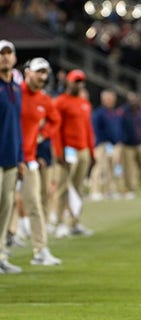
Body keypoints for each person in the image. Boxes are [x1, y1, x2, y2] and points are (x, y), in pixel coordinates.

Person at [19, 57, 62, 265]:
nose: (42, 77)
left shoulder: (44, 100)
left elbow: (55, 121)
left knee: (34, 205)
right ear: (28, 72)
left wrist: (43, 135)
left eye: (45, 73)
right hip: (6, 157)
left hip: (28, 159)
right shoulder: (14, 93)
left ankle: (40, 250)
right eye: (39, 72)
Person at [51, 69, 95, 237]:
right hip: (67, 150)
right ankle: (60, 222)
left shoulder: (84, 103)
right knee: (62, 187)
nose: (79, 84)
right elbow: (56, 129)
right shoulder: (60, 102)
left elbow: (88, 130)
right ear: (68, 82)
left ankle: (74, 222)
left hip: (82, 149)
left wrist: (92, 152)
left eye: (81, 81)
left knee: (78, 188)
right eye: (76, 81)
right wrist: (58, 151)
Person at [0, 39, 24, 274]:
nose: (5, 57)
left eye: (9, 53)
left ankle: (0, 256)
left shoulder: (16, 89)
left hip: (10, 159)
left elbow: (17, 127)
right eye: (1, 53)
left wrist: (20, 158)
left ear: (15, 59)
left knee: (6, 207)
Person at [89, 88, 123, 200]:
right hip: (102, 144)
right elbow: (96, 130)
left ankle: (110, 190)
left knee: (112, 168)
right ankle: (95, 191)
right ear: (103, 100)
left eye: (112, 99)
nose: (111, 101)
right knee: (99, 168)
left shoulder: (115, 113)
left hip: (114, 145)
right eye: (108, 99)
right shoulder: (99, 113)